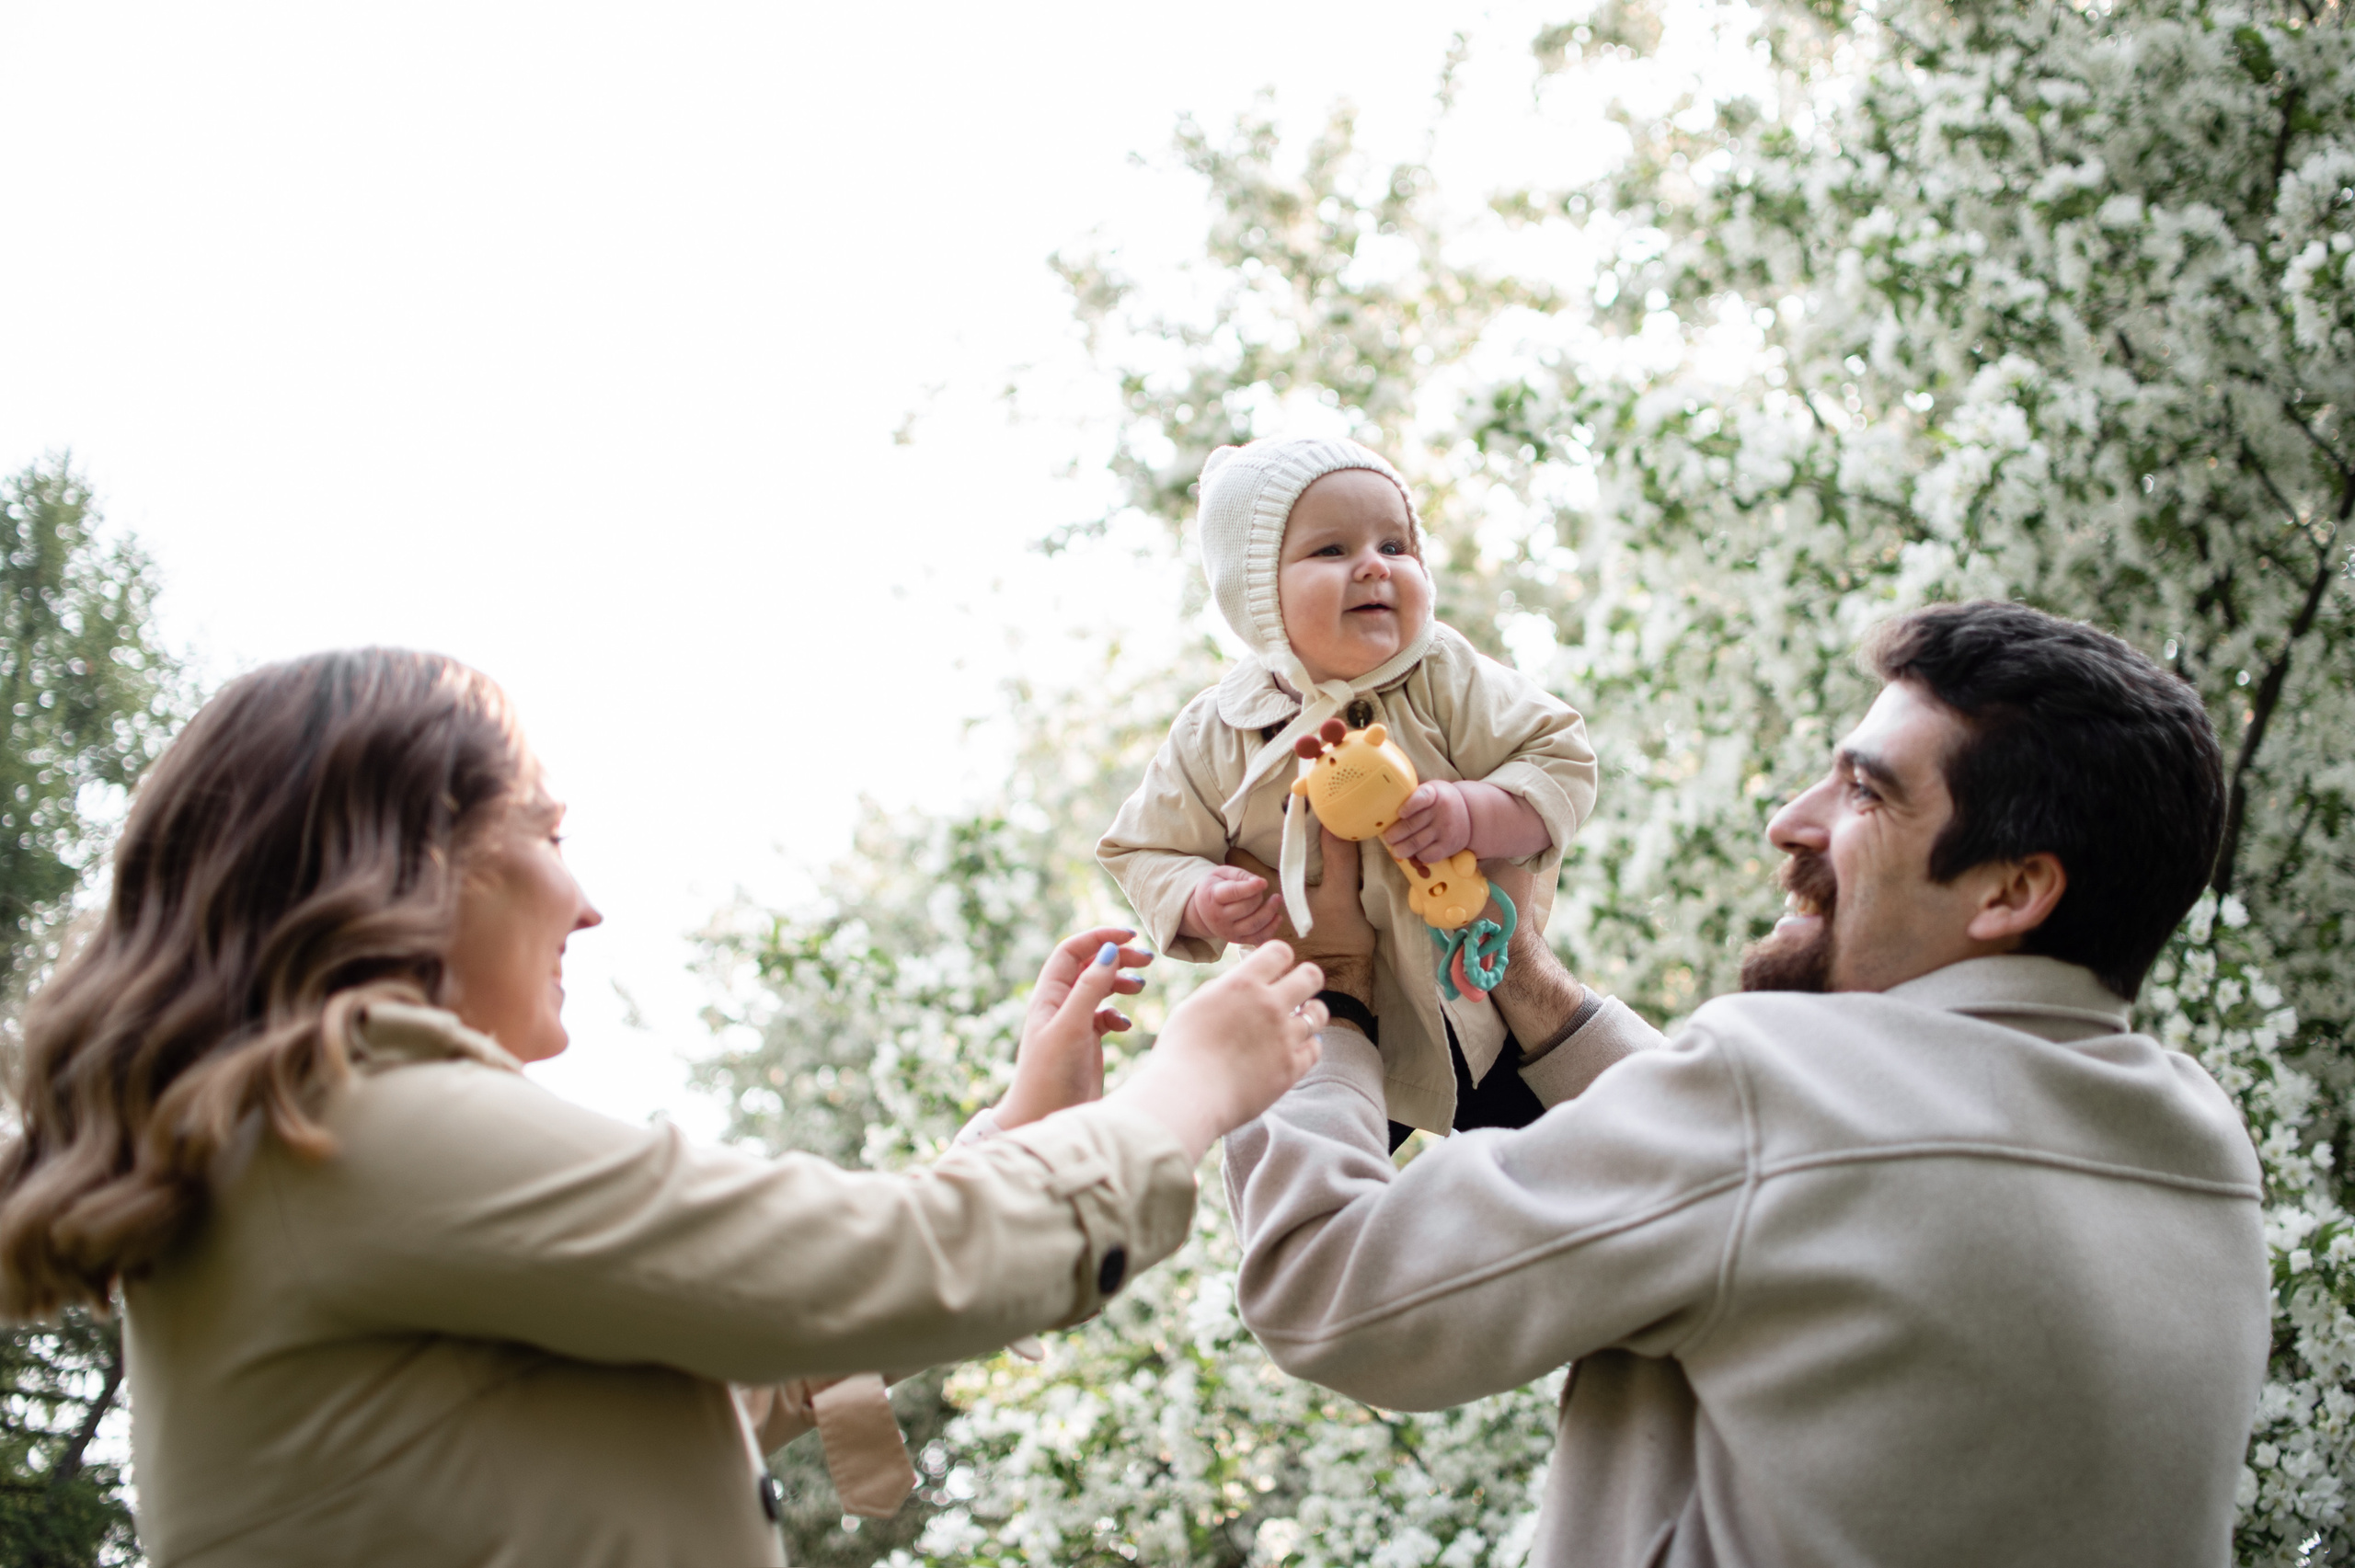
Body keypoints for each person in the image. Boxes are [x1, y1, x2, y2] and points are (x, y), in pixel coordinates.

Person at [0, 648, 1329, 1568]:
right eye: (547, 829)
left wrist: (1019, 1134)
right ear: (408, 865)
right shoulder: (342, 1125)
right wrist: (1190, 1083)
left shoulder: (296, 1160)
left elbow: (725, 1369)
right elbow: (870, 1266)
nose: (587, 901)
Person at [1226, 601, 2270, 1567]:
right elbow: (1792, 1196)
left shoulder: (1784, 1095)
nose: (1789, 819)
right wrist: (1525, 977)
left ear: (2011, 889)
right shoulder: (2202, 1155)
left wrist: (1336, 991)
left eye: (1867, 792)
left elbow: (1329, 1291)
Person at [1099, 435, 1600, 1139]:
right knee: (1313, 1172)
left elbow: (1559, 755)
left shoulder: (1443, 673)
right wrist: (1200, 896)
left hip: (1481, 1001)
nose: (1374, 566)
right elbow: (1141, 846)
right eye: (1332, 551)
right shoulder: (1217, 732)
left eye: (1396, 546)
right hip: (1325, 1022)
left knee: (1568, 1153)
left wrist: (1475, 813)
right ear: (1255, 596)